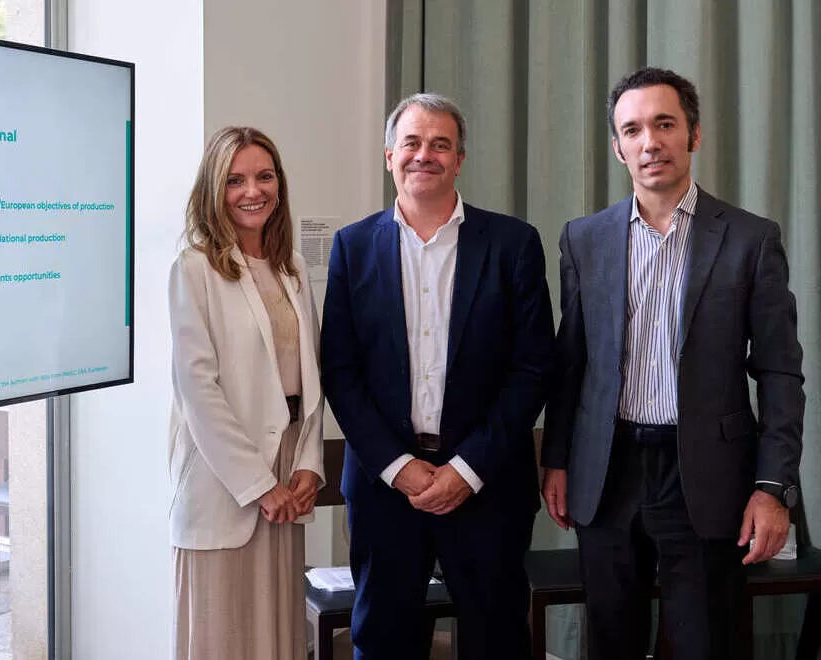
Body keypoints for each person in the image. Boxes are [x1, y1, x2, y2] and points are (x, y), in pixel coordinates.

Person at [541, 66, 805, 659]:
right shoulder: (583, 240)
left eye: (664, 124)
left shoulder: (750, 239)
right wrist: (555, 458)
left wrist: (772, 488)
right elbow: (570, 362)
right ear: (618, 147)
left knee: (705, 643)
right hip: (607, 471)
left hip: (708, 474)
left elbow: (781, 373)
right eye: (632, 130)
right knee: (612, 642)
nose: (650, 142)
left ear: (694, 134)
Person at [321, 93, 554, 659]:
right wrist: (398, 468)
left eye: (440, 144)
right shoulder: (352, 246)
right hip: (384, 490)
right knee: (383, 642)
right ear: (389, 156)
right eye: (411, 142)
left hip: (488, 485)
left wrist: (466, 470)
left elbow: (532, 368)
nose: (424, 154)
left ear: (459, 159)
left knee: (497, 640)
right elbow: (341, 371)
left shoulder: (513, 244)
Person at [168, 126, 325, 660]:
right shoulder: (194, 269)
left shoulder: (292, 267)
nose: (252, 191)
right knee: (223, 638)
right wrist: (259, 485)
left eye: (264, 176)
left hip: (287, 471)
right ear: (214, 189)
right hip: (226, 479)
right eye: (235, 180)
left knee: (275, 635)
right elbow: (198, 391)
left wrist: (308, 465)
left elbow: (310, 378)